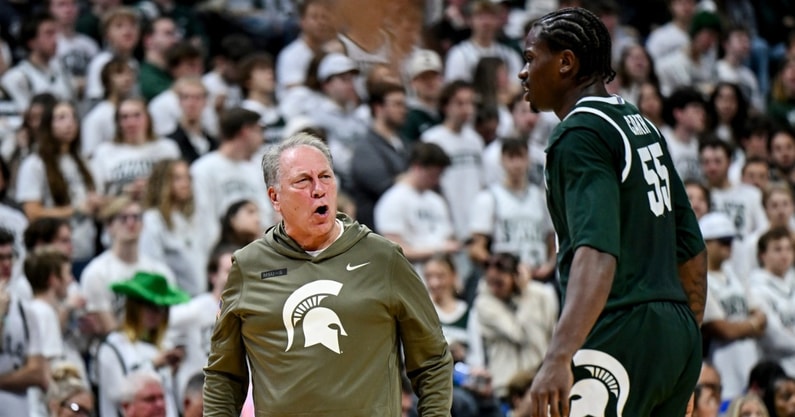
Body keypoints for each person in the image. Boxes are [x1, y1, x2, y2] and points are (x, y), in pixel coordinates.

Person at [518, 7, 707, 417]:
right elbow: (691, 248)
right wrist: (682, 353)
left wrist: (558, 356)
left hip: (620, 326)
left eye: (531, 58)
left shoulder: (580, 133)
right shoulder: (638, 123)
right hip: (676, 332)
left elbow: (596, 250)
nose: (522, 72)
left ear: (566, 62)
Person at [203, 132, 453, 415]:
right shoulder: (248, 267)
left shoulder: (384, 259)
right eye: (303, 181)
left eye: (325, 177)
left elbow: (432, 361)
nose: (318, 189)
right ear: (275, 197)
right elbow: (224, 376)